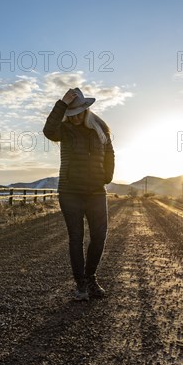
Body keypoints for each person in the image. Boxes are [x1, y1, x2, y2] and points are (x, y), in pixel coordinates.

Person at [43, 87, 115, 301]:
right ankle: (81, 285)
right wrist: (61, 104)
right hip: (70, 191)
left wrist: (107, 176)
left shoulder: (100, 128)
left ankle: (91, 278)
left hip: (95, 191)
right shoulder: (63, 129)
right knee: (76, 238)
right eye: (70, 114)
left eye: (77, 113)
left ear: (85, 110)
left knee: (99, 236)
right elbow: (48, 130)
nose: (73, 118)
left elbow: (110, 152)